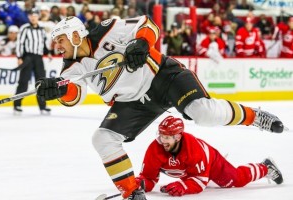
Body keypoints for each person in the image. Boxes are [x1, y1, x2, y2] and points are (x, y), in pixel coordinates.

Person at [35, 16, 285, 200]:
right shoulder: (70, 67)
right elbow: (74, 95)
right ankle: (132, 192)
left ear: (76, 35)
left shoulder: (107, 28)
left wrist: (142, 43)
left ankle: (256, 117)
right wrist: (58, 90)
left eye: (60, 40)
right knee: (102, 138)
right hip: (133, 101)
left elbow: (147, 24)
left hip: (163, 76)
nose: (57, 46)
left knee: (204, 113)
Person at [135, 116, 283, 197]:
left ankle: (265, 167)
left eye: (167, 137)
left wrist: (183, 186)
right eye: (161, 136)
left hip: (211, 162)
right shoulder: (155, 149)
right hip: (190, 170)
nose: (162, 141)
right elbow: (148, 177)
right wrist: (139, 184)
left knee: (235, 180)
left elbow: (200, 181)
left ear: (178, 137)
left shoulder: (193, 149)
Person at [14, 8, 51, 115]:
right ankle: (17, 105)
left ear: (38, 17)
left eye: (35, 16)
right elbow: (20, 43)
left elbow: (44, 43)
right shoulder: (25, 28)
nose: (33, 18)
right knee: (23, 82)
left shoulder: (41, 29)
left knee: (41, 83)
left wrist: (48, 53)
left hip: (39, 58)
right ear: (29, 17)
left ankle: (42, 106)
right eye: (31, 16)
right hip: (28, 58)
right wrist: (19, 57)